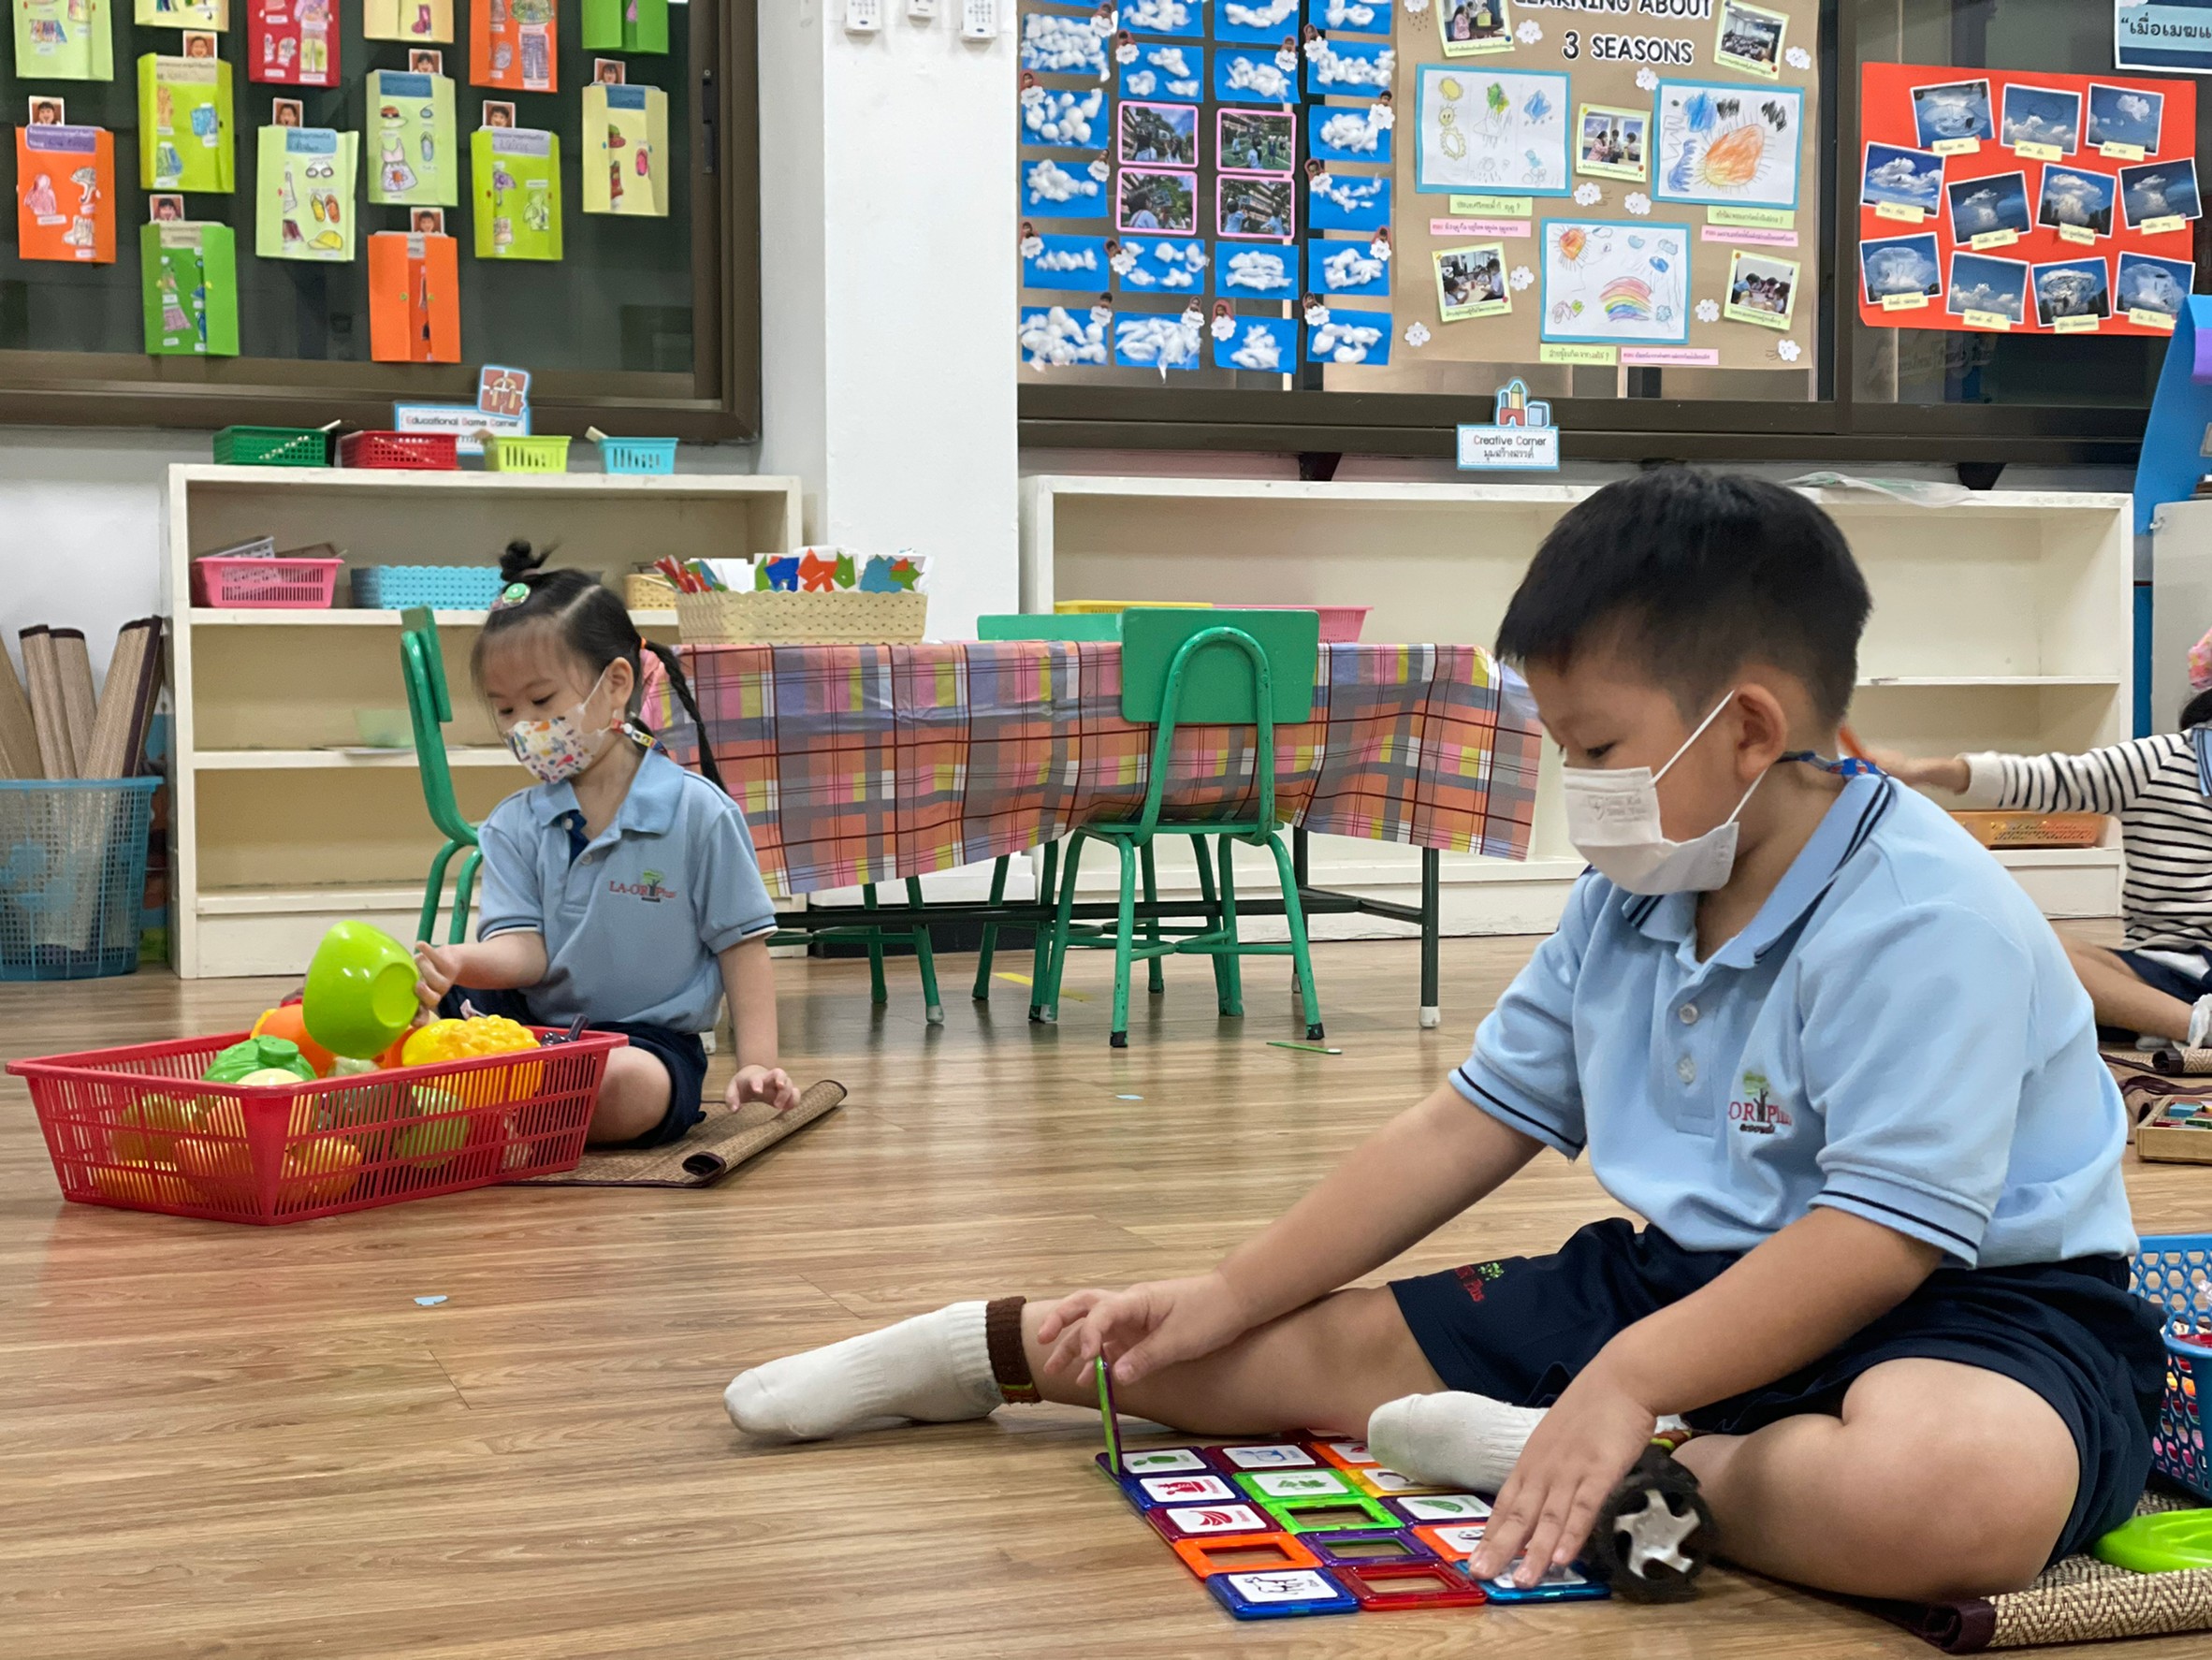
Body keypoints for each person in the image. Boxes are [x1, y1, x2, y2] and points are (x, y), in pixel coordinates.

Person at [723, 470, 2161, 1609]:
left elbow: (1876, 1241)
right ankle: (980, 1350)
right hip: (1690, 1282)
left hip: (1976, 1307)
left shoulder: (1927, 914)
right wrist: (1226, 1291)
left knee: (1956, 1498)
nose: (1575, 787)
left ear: (1745, 728)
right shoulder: (1639, 890)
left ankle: (1606, 1454)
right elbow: (1462, 1124)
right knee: (1266, 1350)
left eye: (1597, 751)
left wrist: (1626, 1382)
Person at [412, 546, 800, 1147]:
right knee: (382, 1009)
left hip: (644, 1042)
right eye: (505, 709)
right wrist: (455, 962)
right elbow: (526, 952)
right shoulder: (512, 824)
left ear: (617, 683)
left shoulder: (698, 813)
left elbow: (742, 948)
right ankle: (497, 1101)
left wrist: (756, 1063)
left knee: (623, 1084)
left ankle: (484, 1106)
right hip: (525, 1028)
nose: (522, 727)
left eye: (541, 701)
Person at [1871, 671, 2212, 1051]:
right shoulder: (2160, 761)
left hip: (2182, 974)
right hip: (2161, 967)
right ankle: (2181, 1021)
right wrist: (1921, 771)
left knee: (2027, 989)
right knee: (2014, 939)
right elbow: (2046, 778)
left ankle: (2166, 1021)